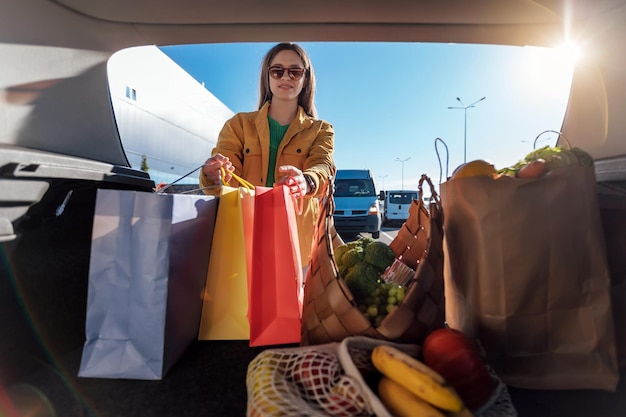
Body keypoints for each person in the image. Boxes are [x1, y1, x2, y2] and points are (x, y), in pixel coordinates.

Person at [200, 42, 336, 270]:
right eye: (277, 70)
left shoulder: (321, 130)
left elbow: (323, 167)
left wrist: (307, 181)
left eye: (295, 71)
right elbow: (225, 180)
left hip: (296, 250)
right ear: (268, 76)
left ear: (305, 78)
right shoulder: (239, 125)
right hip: (243, 243)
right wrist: (213, 173)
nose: (286, 77)